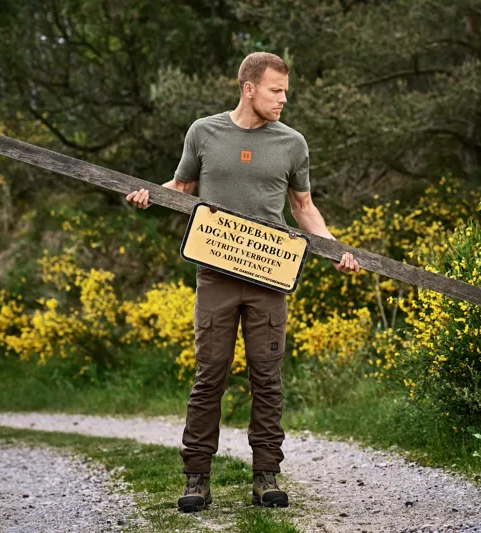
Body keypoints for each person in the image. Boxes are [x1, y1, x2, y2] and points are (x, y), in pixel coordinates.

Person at [125, 52, 359, 513]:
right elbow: (182, 188)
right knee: (208, 376)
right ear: (248, 88)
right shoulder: (204, 132)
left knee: (267, 379)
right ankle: (196, 479)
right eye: (276, 90)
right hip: (215, 274)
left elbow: (304, 207)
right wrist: (149, 195)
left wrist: (335, 250)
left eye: (286, 91)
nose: (283, 99)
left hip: (269, 278)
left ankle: (266, 476)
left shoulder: (292, 143)